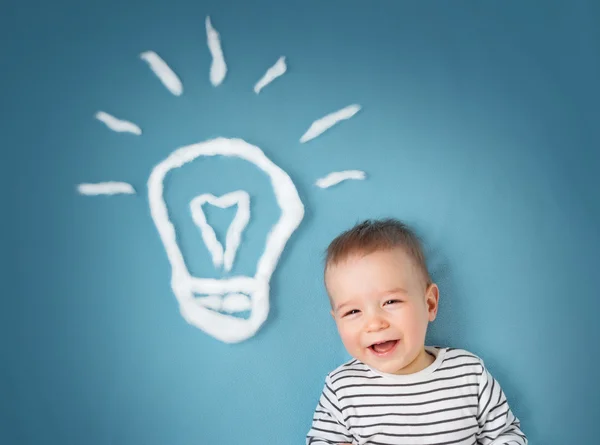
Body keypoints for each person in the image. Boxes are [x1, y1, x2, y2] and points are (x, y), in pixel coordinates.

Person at [306, 218, 527, 445]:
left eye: (391, 301)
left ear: (429, 304)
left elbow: (507, 435)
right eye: (353, 311)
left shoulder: (469, 374)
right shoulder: (342, 387)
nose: (374, 323)